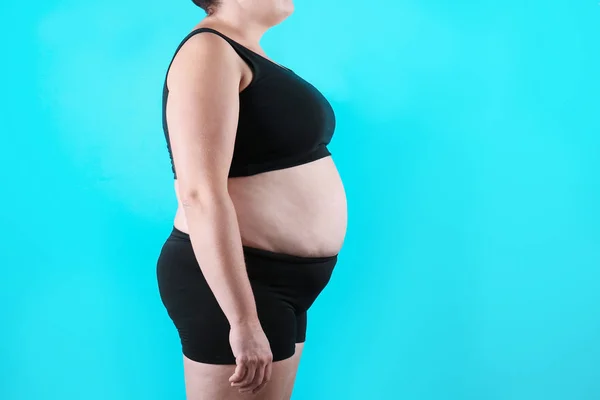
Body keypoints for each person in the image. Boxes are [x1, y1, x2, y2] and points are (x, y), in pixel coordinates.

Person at [155, 0, 348, 398]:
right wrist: (242, 319)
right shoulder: (208, 50)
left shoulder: (246, 51)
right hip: (238, 282)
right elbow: (199, 192)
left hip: (282, 283)